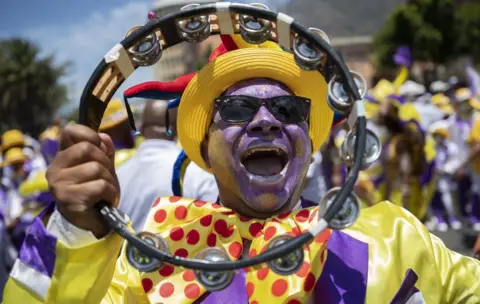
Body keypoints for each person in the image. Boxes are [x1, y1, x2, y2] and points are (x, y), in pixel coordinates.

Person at [4, 33, 480, 303]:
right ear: (206, 152)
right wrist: (74, 233)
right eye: (236, 110)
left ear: (310, 148)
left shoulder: (393, 236)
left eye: (289, 111)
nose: (267, 122)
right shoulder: (145, 260)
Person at [117, 100, 219, 231]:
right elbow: (213, 226)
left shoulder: (118, 174)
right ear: (177, 129)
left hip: (128, 251)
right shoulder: (200, 172)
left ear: (141, 129)